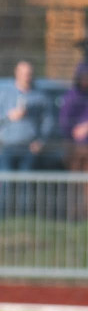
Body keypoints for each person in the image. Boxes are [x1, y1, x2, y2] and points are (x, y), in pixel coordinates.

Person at [0, 60, 53, 215]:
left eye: (29, 74)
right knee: (5, 182)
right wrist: (9, 116)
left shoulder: (40, 96)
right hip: (7, 145)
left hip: (29, 146)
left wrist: (41, 141)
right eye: (23, 73)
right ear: (16, 73)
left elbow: (48, 121)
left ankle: (24, 218)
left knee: (26, 183)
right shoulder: (4, 93)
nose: (26, 77)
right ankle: (2, 216)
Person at [58, 62, 88, 219]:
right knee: (74, 182)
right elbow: (64, 121)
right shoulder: (72, 96)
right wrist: (72, 132)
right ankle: (73, 215)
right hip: (74, 147)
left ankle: (84, 214)